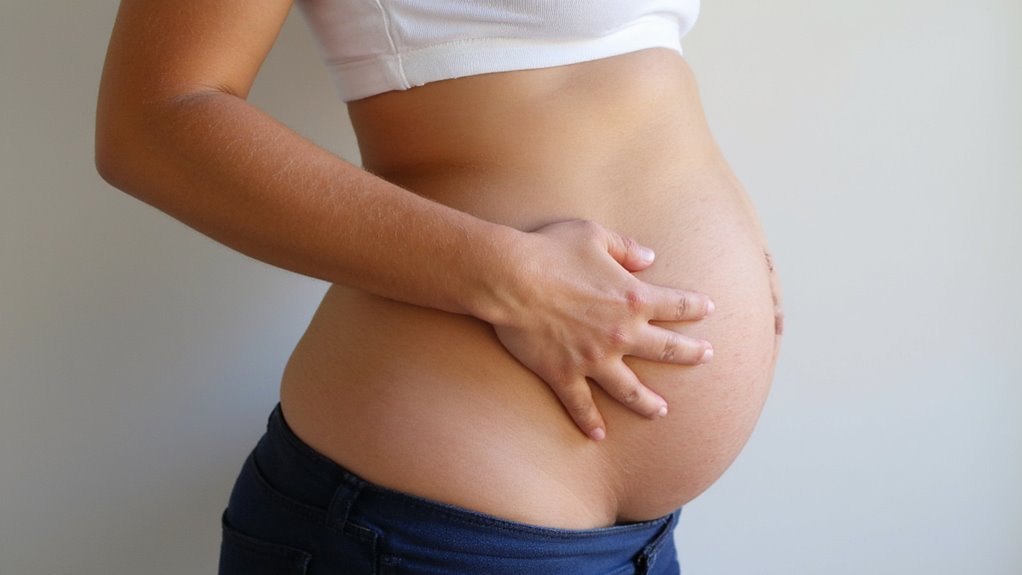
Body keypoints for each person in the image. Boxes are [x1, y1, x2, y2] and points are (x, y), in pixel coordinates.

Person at [95, 0, 784, 573]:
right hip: (424, 532)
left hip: (641, 540)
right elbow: (153, 119)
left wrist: (730, 235)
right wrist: (510, 278)